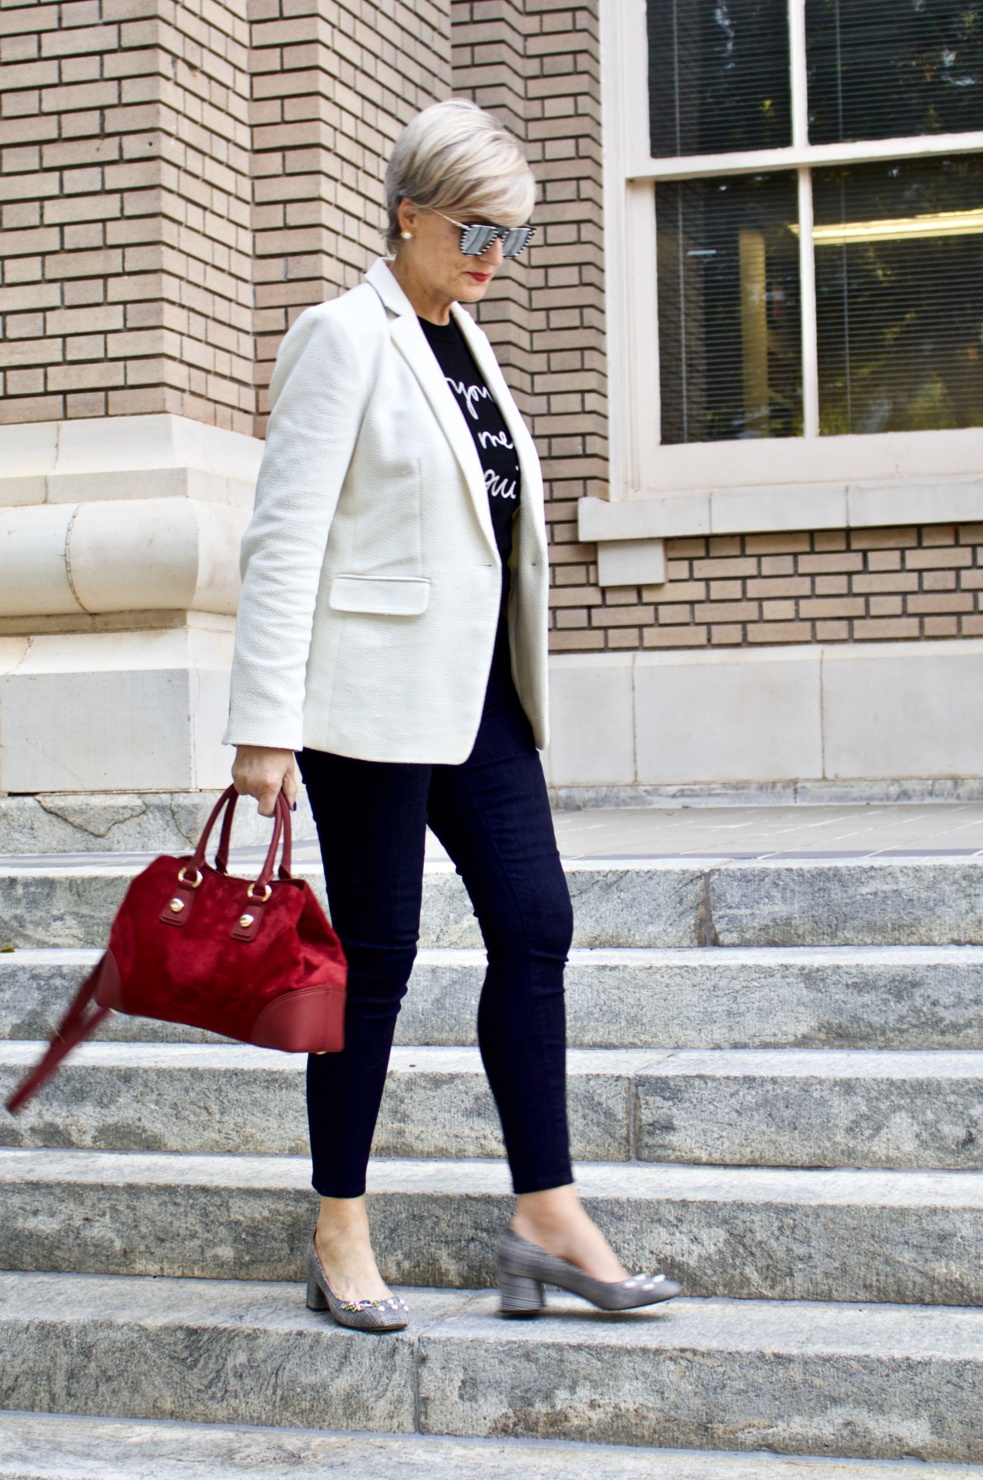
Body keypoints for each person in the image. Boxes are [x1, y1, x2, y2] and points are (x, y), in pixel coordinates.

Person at [226, 98, 680, 1332]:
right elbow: (284, 539)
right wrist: (263, 725)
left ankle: (546, 1215)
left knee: (536, 925)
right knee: (375, 963)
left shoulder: (466, 344)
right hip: (364, 711)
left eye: (513, 240)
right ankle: (338, 1226)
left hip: (482, 704)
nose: (492, 259)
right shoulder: (343, 336)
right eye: (475, 231)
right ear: (407, 212)